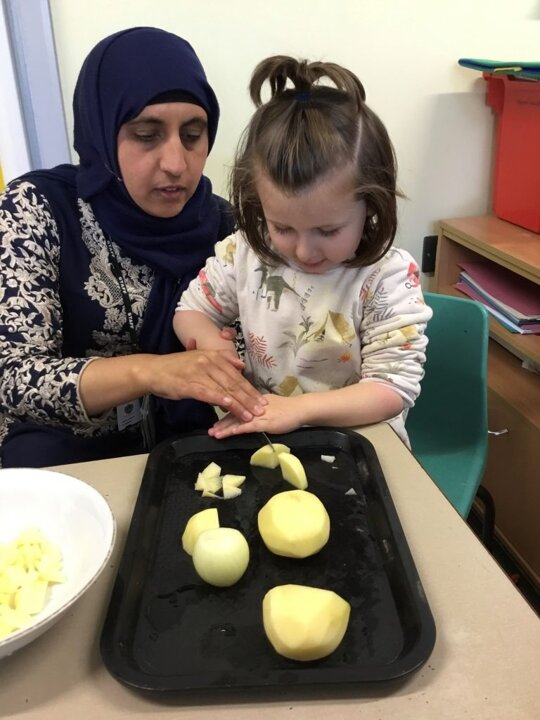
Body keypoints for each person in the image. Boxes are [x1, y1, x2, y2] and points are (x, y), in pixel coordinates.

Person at [0, 27, 266, 468]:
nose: (176, 164)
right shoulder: (38, 209)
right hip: (66, 453)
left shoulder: (225, 228)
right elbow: (13, 377)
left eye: (193, 135)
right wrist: (152, 371)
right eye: (146, 134)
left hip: (192, 448)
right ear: (102, 131)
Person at [174, 55, 433, 446]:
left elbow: (392, 389)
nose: (303, 250)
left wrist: (297, 411)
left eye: (327, 230)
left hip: (360, 441)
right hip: (267, 435)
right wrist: (210, 343)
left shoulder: (387, 278)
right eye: (282, 228)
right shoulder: (244, 253)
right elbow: (189, 312)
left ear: (372, 204)